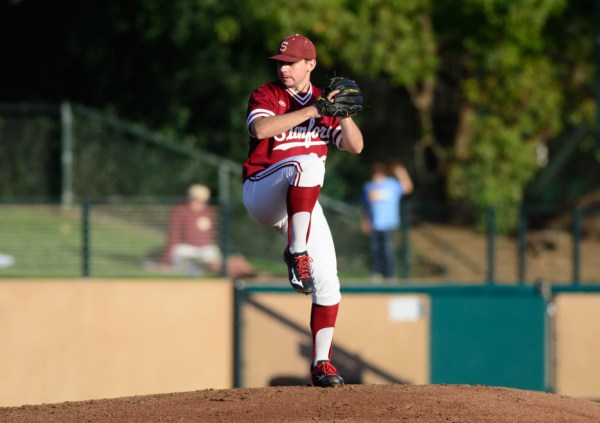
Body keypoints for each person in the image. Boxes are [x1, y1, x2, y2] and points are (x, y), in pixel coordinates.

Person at [242, 34, 364, 387]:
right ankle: (297, 254)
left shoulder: (324, 104)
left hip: (300, 205)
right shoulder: (268, 95)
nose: (283, 69)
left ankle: (321, 363)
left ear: (311, 64)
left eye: (291, 62)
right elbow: (261, 128)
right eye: (280, 63)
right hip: (263, 191)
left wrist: (343, 115)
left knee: (329, 282)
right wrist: (314, 110)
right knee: (307, 164)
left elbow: (355, 146)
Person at [360, 161, 413, 282]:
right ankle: (377, 273)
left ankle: (390, 275)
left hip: (388, 223)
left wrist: (401, 171)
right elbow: (365, 206)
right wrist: (365, 221)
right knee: (375, 250)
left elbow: (408, 188)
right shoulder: (369, 186)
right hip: (375, 224)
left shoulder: (392, 185)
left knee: (388, 250)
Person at [162, 184, 223, 275]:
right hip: (185, 249)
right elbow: (173, 237)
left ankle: (213, 270)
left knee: (213, 255)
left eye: (200, 200)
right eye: (194, 199)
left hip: (205, 250)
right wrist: (166, 261)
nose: (196, 203)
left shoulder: (209, 212)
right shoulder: (179, 211)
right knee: (181, 256)